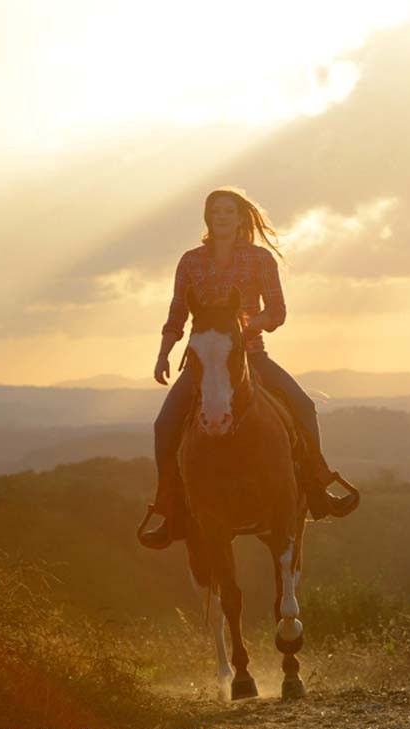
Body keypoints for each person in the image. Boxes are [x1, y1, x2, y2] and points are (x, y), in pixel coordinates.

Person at [138, 187, 360, 550]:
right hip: (204, 362)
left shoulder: (259, 260)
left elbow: (277, 311)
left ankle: (318, 486)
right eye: (215, 211)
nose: (222, 217)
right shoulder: (190, 261)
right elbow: (177, 312)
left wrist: (247, 326)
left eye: (229, 211)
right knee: (164, 425)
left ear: (241, 217)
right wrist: (164, 353)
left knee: (303, 406)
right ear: (207, 218)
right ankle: (170, 506)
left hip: (251, 356)